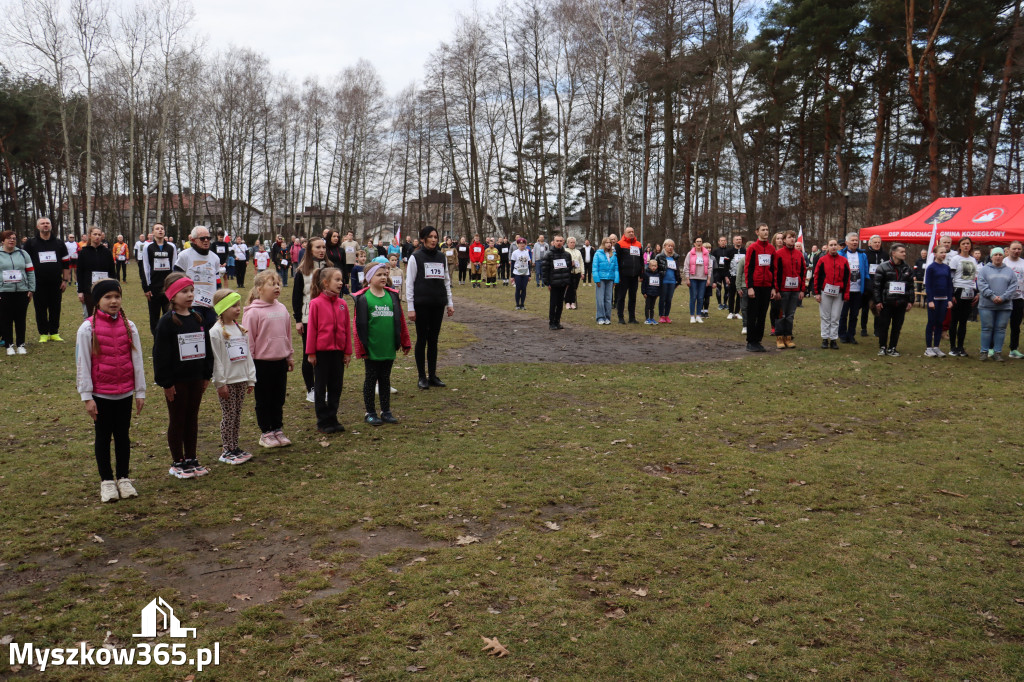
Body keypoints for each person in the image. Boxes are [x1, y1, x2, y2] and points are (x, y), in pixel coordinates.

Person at [75, 279, 145, 502]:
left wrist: (140, 391)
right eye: (108, 297)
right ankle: (106, 481)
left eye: (117, 296)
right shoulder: (87, 328)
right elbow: (83, 363)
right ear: (98, 301)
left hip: (125, 393)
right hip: (101, 395)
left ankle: (123, 478)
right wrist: (87, 396)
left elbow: (137, 360)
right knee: (103, 437)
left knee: (123, 436)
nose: (113, 301)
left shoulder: (129, 326)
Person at [152, 273, 213, 479]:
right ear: (172, 295)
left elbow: (206, 349)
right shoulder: (167, 322)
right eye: (184, 291)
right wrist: (166, 383)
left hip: (196, 378)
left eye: (191, 291)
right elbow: (160, 355)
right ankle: (178, 461)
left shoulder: (197, 318)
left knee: (192, 418)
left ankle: (191, 458)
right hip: (177, 382)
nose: (190, 295)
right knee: (178, 419)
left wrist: (206, 375)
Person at [353, 260, 411, 426]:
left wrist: (405, 342)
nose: (383, 277)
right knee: (371, 380)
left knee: (385, 379)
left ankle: (386, 411)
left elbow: (400, 321)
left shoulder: (392, 296)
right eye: (379, 275)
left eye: (385, 274)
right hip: (372, 348)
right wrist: (361, 348)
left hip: (388, 346)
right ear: (369, 278)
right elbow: (358, 326)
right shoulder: (363, 299)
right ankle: (370, 412)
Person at [243, 270, 295, 447]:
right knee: (264, 399)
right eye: (271, 284)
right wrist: (249, 366)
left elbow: (287, 334)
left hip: (280, 362)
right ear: (259, 289)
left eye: (278, 283)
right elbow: (249, 341)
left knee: (278, 398)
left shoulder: (282, 308)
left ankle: (277, 429)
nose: (277, 287)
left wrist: (289, 356)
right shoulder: (253, 313)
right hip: (261, 364)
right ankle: (266, 432)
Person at [209, 288, 257, 465]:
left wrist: (250, 379)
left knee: (237, 415)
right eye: (233, 306)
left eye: (238, 305)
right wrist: (220, 383)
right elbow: (216, 360)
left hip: (241, 380)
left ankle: (234, 447)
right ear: (222, 308)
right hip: (227, 382)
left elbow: (247, 356)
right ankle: (226, 450)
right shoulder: (216, 332)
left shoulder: (240, 329)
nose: (238, 309)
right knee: (229, 416)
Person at [405, 226, 454, 389]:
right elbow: (409, 283)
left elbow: (446, 280)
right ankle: (422, 377)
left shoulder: (441, 257)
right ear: (423, 239)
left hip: (438, 303)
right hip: (421, 305)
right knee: (422, 339)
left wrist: (449, 303)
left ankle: (432, 375)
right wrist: (410, 307)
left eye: (436, 237)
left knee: (433, 340)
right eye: (430, 237)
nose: (434, 240)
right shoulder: (416, 257)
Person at [303, 267, 351, 433]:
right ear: (325, 283)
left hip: (338, 353)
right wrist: (311, 353)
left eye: (341, 279)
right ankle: (323, 420)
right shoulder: (316, 303)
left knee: (336, 386)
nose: (341, 283)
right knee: (321, 386)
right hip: (321, 353)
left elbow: (347, 329)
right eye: (337, 280)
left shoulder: (343, 304)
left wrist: (347, 352)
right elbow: (312, 330)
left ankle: (333, 417)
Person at [292, 236, 328, 403]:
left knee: (325, 355)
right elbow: (296, 297)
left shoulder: (330, 268)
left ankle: (322, 386)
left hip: (327, 317)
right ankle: (311, 389)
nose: (321, 250)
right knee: (310, 353)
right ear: (310, 250)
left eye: (323, 247)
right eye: (318, 247)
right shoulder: (302, 271)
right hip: (308, 318)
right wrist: (298, 320)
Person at [24, 217, 70, 343]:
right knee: (40, 308)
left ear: (51, 226)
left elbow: (66, 263)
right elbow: (25, 263)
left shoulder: (59, 243)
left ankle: (54, 332)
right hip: (38, 282)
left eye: (47, 223)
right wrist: (28, 283)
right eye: (42, 223)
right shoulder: (30, 243)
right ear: (38, 227)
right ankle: (43, 333)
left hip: (56, 282)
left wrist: (65, 280)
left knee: (55, 307)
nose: (45, 225)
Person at [872, 243, 915, 356]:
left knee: (897, 327)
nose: (904, 254)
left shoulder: (907, 268)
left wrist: (910, 301)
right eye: (902, 252)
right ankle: (882, 347)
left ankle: (892, 347)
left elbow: (910, 286)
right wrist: (878, 301)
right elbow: (877, 286)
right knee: (884, 326)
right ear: (893, 253)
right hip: (886, 302)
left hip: (901, 303)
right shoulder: (882, 267)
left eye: (905, 252)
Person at [173, 226, 220, 328]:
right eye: (202, 238)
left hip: (210, 305)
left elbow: (217, 281)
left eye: (208, 238)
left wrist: (219, 298)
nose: (206, 240)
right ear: (194, 240)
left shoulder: (215, 258)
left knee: (211, 332)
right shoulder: (184, 256)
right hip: (192, 304)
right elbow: (175, 279)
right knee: (194, 331)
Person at [977, 247, 1018, 362]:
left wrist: (1003, 297)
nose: (998, 257)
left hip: (1004, 306)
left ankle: (997, 352)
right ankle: (984, 352)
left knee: (1001, 329)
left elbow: (1013, 286)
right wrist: (992, 296)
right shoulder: (984, 270)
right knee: (986, 328)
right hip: (986, 305)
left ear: (1003, 256)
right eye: (996, 255)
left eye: (1000, 254)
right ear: (991, 257)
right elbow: (981, 284)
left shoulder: (1009, 271)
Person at [0, 230, 37, 355]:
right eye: (9, 238)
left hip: (22, 291)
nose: (12, 240)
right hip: (4, 292)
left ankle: (21, 344)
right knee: (6, 319)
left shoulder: (23, 254)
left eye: (14, 238)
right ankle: (9, 345)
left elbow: (30, 272)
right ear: (2, 241)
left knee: (20, 319)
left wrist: (31, 289)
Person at [138, 223, 177, 336]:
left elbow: (174, 267)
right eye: (157, 229)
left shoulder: (171, 247)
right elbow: (145, 267)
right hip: (153, 288)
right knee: (154, 316)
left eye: (162, 228)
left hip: (168, 287)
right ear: (153, 232)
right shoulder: (148, 247)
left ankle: (168, 339)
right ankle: (156, 339)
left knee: (169, 314)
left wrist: (174, 286)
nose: (160, 230)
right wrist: (146, 288)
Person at [812, 238, 850, 349]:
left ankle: (833, 339)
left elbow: (847, 278)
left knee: (835, 317)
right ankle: (825, 338)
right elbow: (817, 276)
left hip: (839, 293)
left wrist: (846, 293)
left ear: (837, 247)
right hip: (825, 292)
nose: (833, 247)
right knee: (825, 316)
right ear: (827, 247)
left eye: (835, 245)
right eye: (831, 245)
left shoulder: (844, 261)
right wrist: (817, 292)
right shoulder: (822, 260)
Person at [745, 224, 777, 352]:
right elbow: (748, 268)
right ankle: (750, 341)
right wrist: (750, 287)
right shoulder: (753, 248)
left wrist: (773, 287)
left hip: (767, 286)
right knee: (752, 314)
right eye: (763, 230)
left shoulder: (771, 249)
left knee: (762, 314)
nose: (766, 232)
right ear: (757, 232)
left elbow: (773, 269)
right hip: (755, 286)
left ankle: (758, 340)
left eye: (767, 230)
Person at [947, 236, 979, 357]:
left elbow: (975, 277)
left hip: (970, 291)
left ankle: (960, 347)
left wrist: (976, 292)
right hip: (958, 290)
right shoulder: (955, 259)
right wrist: (951, 294)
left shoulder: (973, 260)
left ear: (971, 246)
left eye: (968, 244)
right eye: (963, 243)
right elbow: (950, 277)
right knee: (954, 320)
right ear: (960, 246)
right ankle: (952, 347)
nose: (966, 245)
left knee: (963, 321)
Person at [774, 230, 805, 349]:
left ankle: (788, 337)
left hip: (795, 289)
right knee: (781, 314)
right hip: (782, 290)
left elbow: (802, 272)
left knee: (790, 315)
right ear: (784, 240)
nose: (792, 239)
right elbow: (775, 272)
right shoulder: (779, 254)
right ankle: (779, 337)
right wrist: (776, 290)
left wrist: (802, 290)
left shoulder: (799, 254)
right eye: (789, 237)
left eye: (793, 237)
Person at [76, 226, 115, 317]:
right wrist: (80, 291)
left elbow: (112, 271)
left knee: (107, 315)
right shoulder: (83, 252)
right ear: (90, 236)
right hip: (89, 290)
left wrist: (114, 288)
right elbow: (80, 273)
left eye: (99, 235)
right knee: (91, 316)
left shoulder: (107, 252)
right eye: (95, 234)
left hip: (105, 289)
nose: (97, 236)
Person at [838, 232, 868, 344]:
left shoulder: (862, 255)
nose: (855, 242)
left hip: (858, 290)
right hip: (845, 290)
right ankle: (842, 335)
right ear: (846, 242)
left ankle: (851, 335)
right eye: (852, 240)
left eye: (856, 240)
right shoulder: (841, 254)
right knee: (843, 314)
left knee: (854, 315)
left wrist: (866, 287)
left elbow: (865, 272)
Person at [924, 245, 953, 357]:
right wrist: (930, 300)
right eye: (941, 252)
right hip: (934, 300)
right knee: (931, 322)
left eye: (945, 252)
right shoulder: (931, 267)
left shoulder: (946, 268)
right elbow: (928, 285)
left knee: (940, 323)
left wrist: (949, 299)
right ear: (935, 254)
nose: (943, 254)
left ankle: (936, 347)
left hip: (944, 300)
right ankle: (928, 348)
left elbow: (949, 285)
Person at [541, 234, 572, 330]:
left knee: (560, 304)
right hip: (553, 284)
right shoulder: (549, 255)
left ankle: (557, 322)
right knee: (553, 303)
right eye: (557, 241)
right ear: (553, 242)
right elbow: (545, 270)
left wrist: (568, 282)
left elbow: (568, 269)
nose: (559, 243)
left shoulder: (567, 255)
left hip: (563, 283)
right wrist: (547, 283)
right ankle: (551, 323)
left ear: (563, 242)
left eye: (560, 241)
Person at [614, 227, 644, 324]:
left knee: (633, 297)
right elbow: (616, 261)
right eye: (629, 232)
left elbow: (641, 260)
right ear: (625, 233)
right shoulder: (619, 244)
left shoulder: (638, 244)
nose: (631, 233)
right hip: (623, 276)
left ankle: (632, 318)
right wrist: (617, 275)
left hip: (634, 276)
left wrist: (641, 274)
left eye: (632, 231)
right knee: (621, 297)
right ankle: (620, 317)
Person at [862, 235, 888, 337]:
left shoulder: (885, 255)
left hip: (880, 286)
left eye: (878, 242)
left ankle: (877, 330)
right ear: (870, 243)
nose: (877, 244)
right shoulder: (865, 254)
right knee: (865, 308)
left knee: (878, 307)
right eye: (875, 242)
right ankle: (863, 328)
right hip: (868, 285)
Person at [686, 237, 712, 324]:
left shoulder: (706, 254)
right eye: (697, 241)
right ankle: (692, 316)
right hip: (693, 278)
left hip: (703, 279)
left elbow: (709, 267)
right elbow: (686, 266)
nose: (699, 243)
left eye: (700, 241)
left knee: (700, 298)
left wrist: (708, 279)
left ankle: (698, 316)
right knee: (693, 297)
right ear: (694, 243)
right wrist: (687, 278)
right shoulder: (690, 254)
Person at [1005, 240, 1024, 359]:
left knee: (1016, 325)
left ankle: (1013, 349)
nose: (1017, 251)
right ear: (1009, 250)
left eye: (1019, 249)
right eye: (1014, 249)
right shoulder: (1003, 262)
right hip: (1004, 298)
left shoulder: (1023, 263)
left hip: (1018, 298)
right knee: (999, 325)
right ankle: (993, 348)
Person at [593, 236, 619, 324]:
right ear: (603, 244)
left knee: (608, 299)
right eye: (607, 242)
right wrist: (596, 279)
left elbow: (616, 268)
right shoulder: (598, 253)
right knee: (600, 299)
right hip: (601, 279)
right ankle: (600, 317)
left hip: (610, 279)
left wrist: (616, 280)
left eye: (610, 243)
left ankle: (607, 317)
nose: (609, 244)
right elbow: (595, 267)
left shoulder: (614, 254)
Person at [652, 240, 679, 323]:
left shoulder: (675, 257)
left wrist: (678, 280)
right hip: (663, 281)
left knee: (669, 299)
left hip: (672, 281)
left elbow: (677, 270)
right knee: (662, 299)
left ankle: (667, 315)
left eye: (672, 246)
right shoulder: (659, 256)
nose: (670, 248)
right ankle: (661, 316)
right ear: (664, 246)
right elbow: (654, 267)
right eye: (669, 246)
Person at [731, 242, 749, 335]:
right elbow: (738, 274)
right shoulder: (743, 260)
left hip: (756, 287)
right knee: (744, 307)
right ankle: (745, 326)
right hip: (744, 287)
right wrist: (738, 287)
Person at [711, 236, 732, 310]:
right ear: (719, 242)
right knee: (718, 288)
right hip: (718, 273)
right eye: (721, 241)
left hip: (726, 273)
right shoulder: (715, 251)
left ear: (726, 242)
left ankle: (725, 303)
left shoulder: (729, 250)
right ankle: (719, 304)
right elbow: (712, 261)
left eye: (724, 240)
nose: (723, 242)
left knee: (727, 288)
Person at [510, 238, 532, 310]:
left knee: (524, 289)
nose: (522, 245)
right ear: (518, 244)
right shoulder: (515, 253)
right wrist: (512, 276)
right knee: (518, 288)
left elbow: (528, 263)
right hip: (517, 273)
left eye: (523, 243)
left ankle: (522, 304)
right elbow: (512, 264)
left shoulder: (527, 252)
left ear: (525, 244)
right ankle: (517, 304)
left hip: (525, 273)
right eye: (520, 243)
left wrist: (529, 275)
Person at [641, 257, 661, 324]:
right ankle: (647, 319)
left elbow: (659, 285)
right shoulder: (646, 274)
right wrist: (643, 292)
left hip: (655, 293)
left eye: (655, 266)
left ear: (657, 266)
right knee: (647, 306)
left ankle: (652, 318)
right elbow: (643, 284)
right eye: (652, 266)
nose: (654, 267)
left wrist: (658, 293)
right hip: (648, 293)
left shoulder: (658, 274)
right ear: (649, 266)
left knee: (652, 307)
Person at [565, 237, 583, 309]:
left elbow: (581, 262)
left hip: (577, 272)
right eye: (571, 242)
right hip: (568, 272)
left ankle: (572, 302)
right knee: (568, 287)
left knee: (574, 288)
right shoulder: (565, 251)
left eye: (573, 242)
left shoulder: (578, 252)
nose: (572, 244)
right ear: (568, 243)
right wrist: (570, 264)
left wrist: (582, 272)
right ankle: (567, 302)